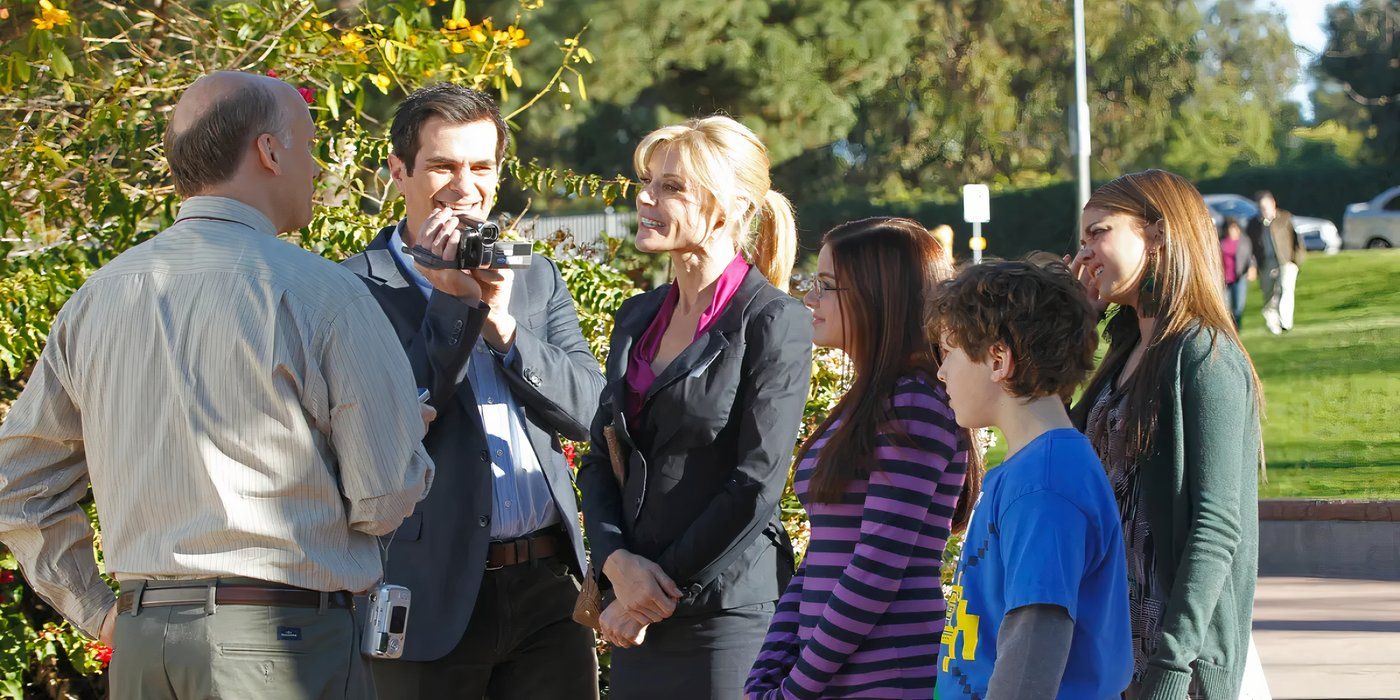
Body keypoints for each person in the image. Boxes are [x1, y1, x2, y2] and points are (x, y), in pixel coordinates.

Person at [0, 71, 435, 699]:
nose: (315, 168)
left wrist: (98, 612)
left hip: (146, 643)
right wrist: (402, 440)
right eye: (308, 146)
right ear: (268, 151)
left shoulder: (96, 298)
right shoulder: (323, 291)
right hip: (281, 642)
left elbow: (18, 484)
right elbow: (383, 495)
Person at [340, 83, 605, 700]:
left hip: (549, 593)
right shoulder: (352, 288)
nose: (465, 187)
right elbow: (390, 422)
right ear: (399, 172)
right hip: (424, 592)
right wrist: (452, 306)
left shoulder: (534, 277)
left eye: (482, 167)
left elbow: (591, 411)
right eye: (443, 167)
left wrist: (503, 324)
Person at [576, 115, 812, 699]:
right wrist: (615, 564)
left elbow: (757, 484)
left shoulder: (775, 321)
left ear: (731, 207)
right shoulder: (637, 317)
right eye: (648, 180)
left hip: (724, 618)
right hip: (633, 608)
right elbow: (602, 458)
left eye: (671, 186)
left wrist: (655, 591)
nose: (645, 197)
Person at [744, 217, 980, 699]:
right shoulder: (872, 399)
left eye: (826, 286)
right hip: (835, 672)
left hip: (884, 675)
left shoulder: (914, 402)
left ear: (879, 294)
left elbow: (876, 566)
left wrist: (796, 686)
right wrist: (767, 673)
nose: (809, 298)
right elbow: (823, 558)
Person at [1070, 169, 1264, 699]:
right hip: (1112, 652)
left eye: (1099, 234)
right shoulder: (1123, 354)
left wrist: (1172, 669)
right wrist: (1074, 330)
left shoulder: (1203, 353)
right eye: (1082, 240)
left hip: (1178, 667)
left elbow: (1218, 527)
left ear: (1157, 234)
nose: (1083, 255)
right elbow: (1063, 461)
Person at [932, 259, 1132, 699]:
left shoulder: (1044, 485)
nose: (941, 371)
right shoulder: (1032, 471)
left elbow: (1033, 645)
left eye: (949, 351)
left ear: (999, 360)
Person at [1246, 190, 1304, 334]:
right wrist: (1252, 265)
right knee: (1269, 294)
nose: (1263, 210)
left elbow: (1297, 242)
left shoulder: (1284, 218)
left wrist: (1296, 261)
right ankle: (1273, 324)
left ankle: (1286, 322)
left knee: (1286, 289)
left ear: (1273, 203)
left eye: (1265, 207)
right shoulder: (1254, 224)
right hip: (1266, 262)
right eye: (1261, 207)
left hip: (1286, 261)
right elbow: (1250, 247)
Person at [1219, 217, 1253, 329]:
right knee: (1225, 305)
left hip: (1239, 276)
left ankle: (1237, 327)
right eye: (1229, 229)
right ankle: (1229, 327)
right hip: (1224, 278)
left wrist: (1252, 268)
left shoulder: (1244, 241)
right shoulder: (1221, 242)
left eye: (1234, 228)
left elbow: (1250, 257)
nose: (1232, 231)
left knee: (1238, 305)